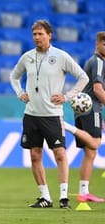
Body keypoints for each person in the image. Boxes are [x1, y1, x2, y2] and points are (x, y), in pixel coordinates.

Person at [9, 19, 89, 209]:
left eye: (40, 34)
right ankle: (45, 197)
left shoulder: (61, 56)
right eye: (34, 34)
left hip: (52, 115)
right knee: (35, 156)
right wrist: (20, 93)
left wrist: (67, 96)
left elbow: (83, 77)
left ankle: (63, 197)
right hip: (31, 115)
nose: (37, 37)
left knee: (60, 154)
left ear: (49, 35)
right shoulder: (27, 57)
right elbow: (14, 76)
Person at [64, 31, 105, 203]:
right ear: (98, 44)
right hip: (90, 108)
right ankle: (65, 126)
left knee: (91, 152)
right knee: (95, 143)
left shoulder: (96, 62)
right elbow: (97, 89)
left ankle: (84, 193)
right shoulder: (98, 62)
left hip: (86, 109)